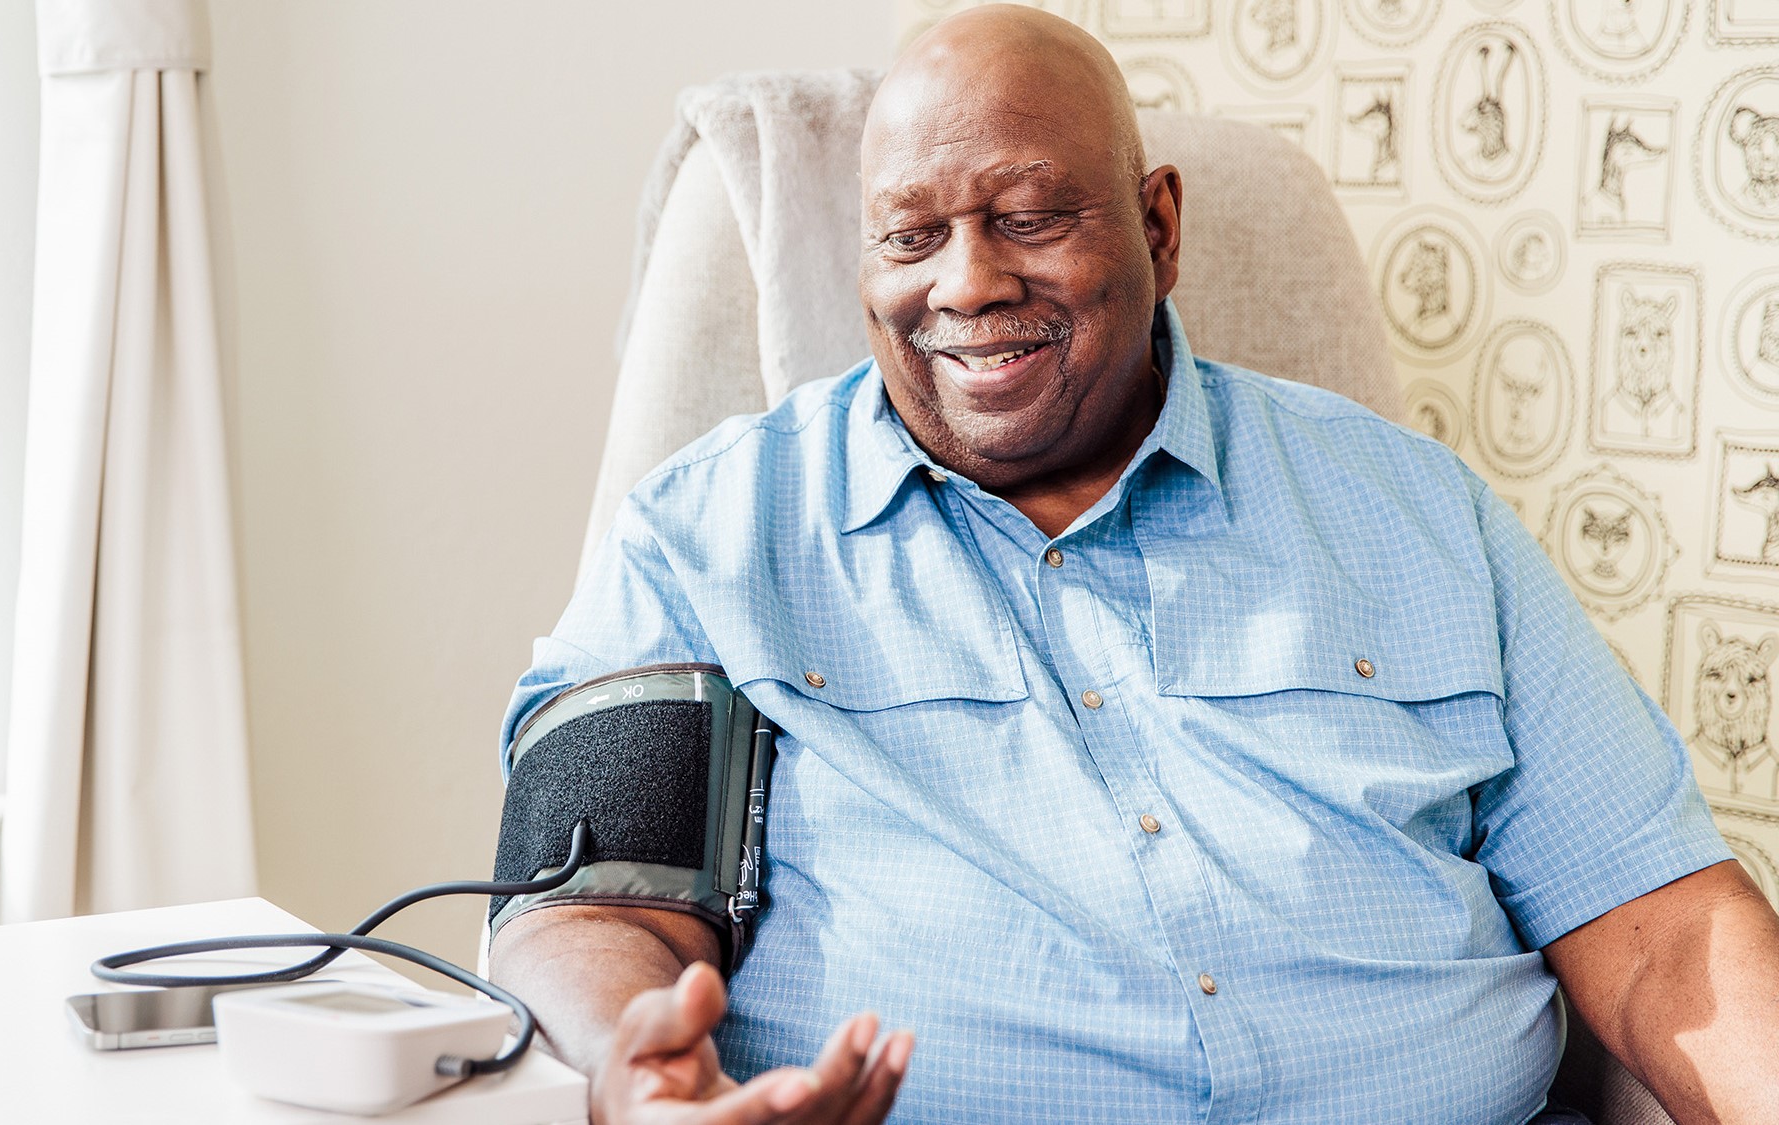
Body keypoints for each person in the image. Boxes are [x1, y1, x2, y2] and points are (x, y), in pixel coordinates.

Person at [489, 6, 1779, 1123]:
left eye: (1033, 216)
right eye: (909, 235)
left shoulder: (1421, 514)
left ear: (1160, 226)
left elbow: (1664, 926)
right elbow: (587, 915)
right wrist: (628, 1071)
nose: (968, 282)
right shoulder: (709, 538)